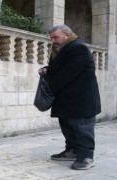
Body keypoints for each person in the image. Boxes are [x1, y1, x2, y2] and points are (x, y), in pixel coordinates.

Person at [38, 24, 101, 170]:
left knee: (82, 128)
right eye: (51, 38)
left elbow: (68, 74)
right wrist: (48, 69)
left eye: (55, 37)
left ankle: (86, 156)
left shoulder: (78, 48)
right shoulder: (62, 48)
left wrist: (50, 90)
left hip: (80, 99)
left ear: (67, 35)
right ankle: (72, 151)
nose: (53, 40)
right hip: (67, 98)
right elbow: (60, 67)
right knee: (67, 126)